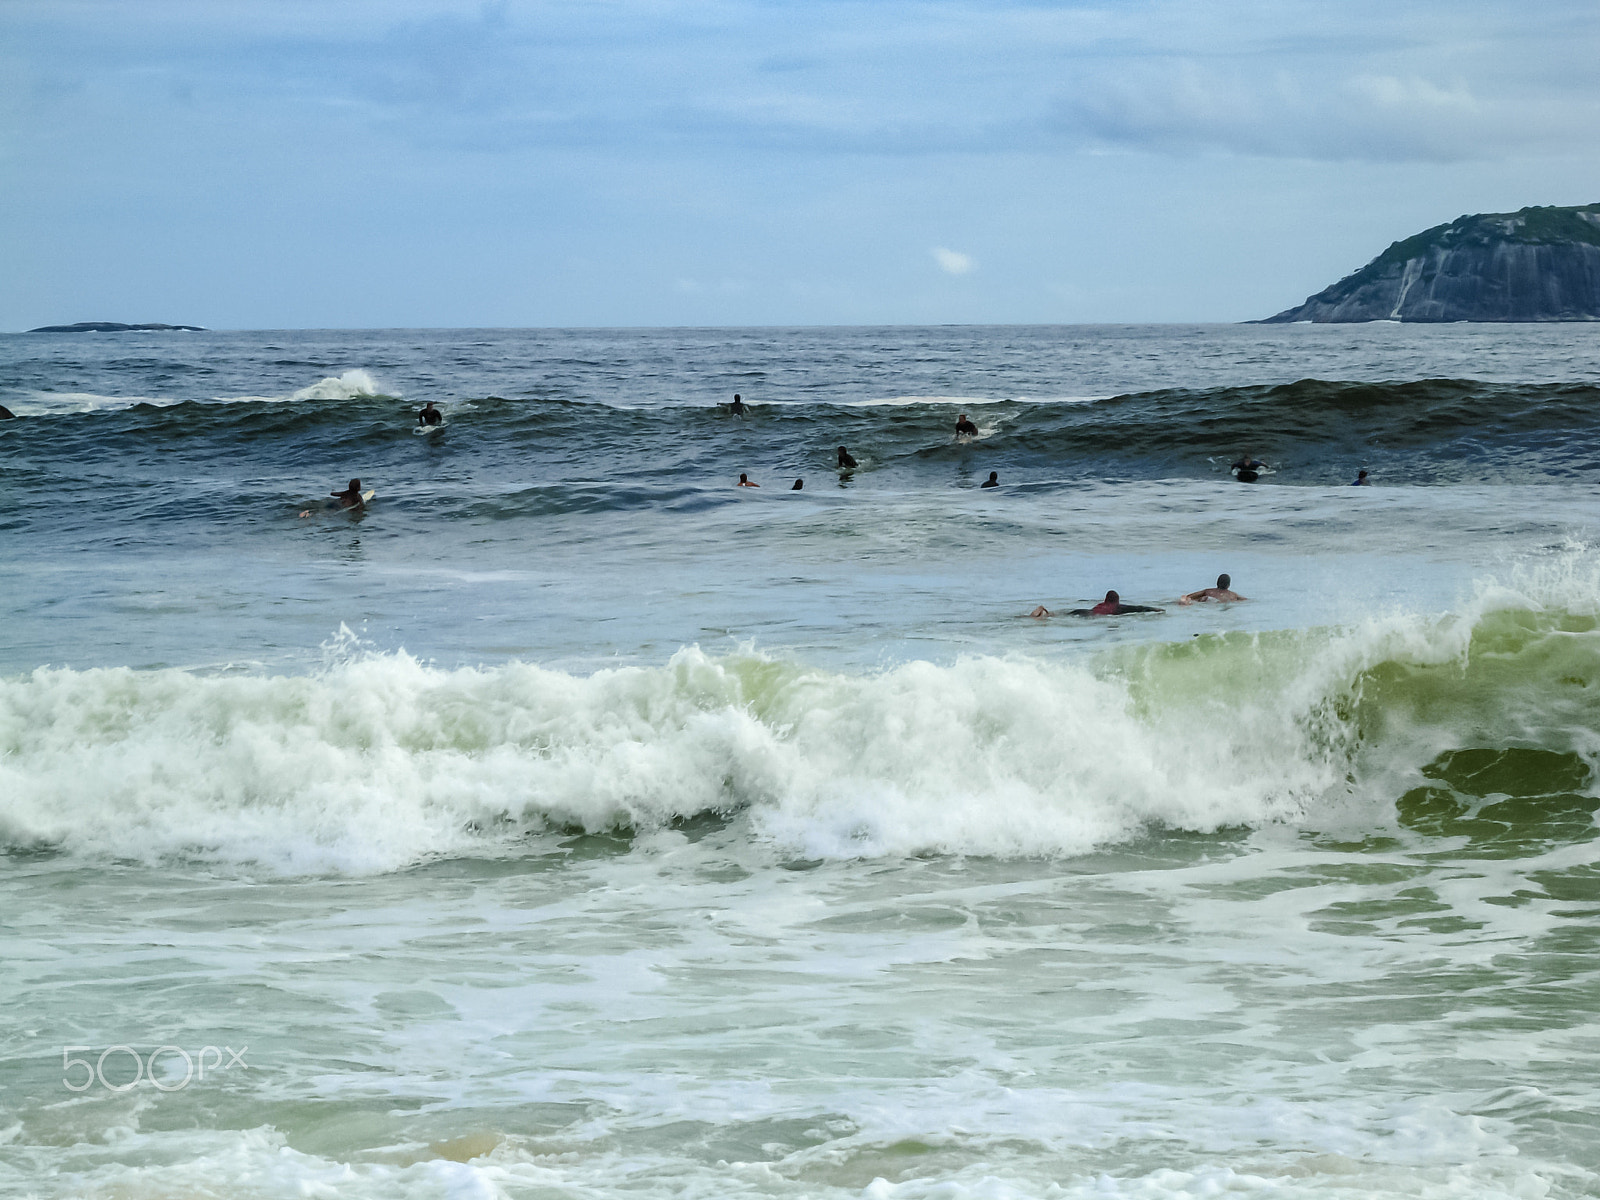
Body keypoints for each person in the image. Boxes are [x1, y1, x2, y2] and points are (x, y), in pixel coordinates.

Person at [1029, 590, 1163, 618]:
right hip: (1092, 617)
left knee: (1063, 615)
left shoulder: (1101, 604)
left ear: (1105, 599)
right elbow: (1139, 608)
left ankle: (1045, 613)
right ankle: (1045, 615)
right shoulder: (1117, 608)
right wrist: (1154, 609)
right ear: (1117, 600)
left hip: (1084, 611)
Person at [1179, 574, 1247, 604]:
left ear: (1217, 583)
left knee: (1201, 599)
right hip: (1220, 603)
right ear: (1228, 585)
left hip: (1208, 601)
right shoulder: (1233, 595)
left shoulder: (1208, 591)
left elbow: (1188, 596)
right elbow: (1245, 600)